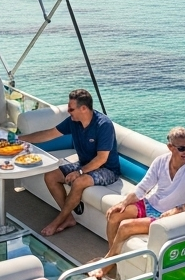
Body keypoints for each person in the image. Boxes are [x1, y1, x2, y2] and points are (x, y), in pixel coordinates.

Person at [91, 127, 185, 280]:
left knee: (125, 226)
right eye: (182, 148)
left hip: (167, 216)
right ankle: (114, 258)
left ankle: (108, 263)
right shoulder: (161, 161)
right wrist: (124, 202)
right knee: (114, 215)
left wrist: (179, 209)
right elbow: (143, 187)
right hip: (151, 204)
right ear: (170, 147)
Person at [19, 88, 120, 236]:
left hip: (107, 169)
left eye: (71, 109)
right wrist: (19, 139)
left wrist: (79, 172)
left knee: (79, 182)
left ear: (83, 108)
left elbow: (101, 159)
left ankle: (58, 220)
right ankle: (69, 218)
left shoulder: (103, 125)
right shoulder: (74, 122)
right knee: (51, 175)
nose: (68, 111)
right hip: (84, 164)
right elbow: (48, 134)